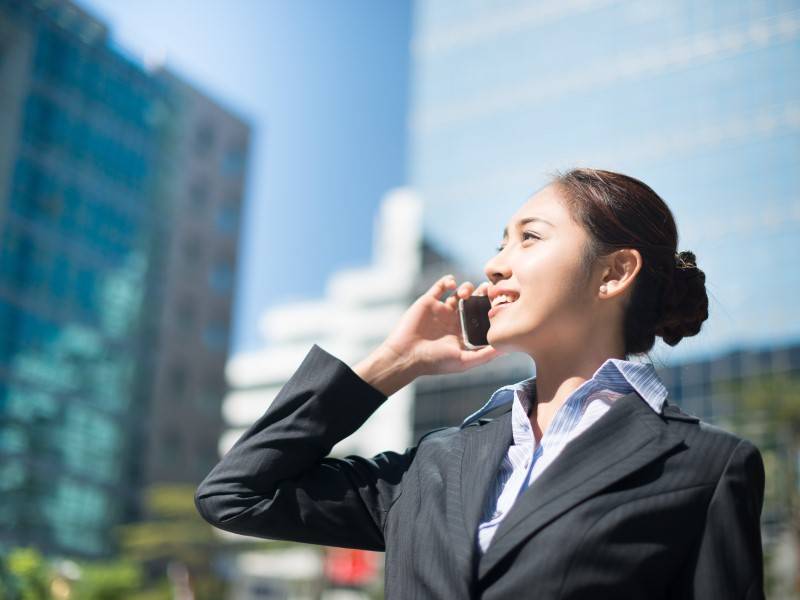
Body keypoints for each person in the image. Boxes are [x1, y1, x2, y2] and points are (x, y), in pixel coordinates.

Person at [195, 168, 765, 599]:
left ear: (613, 273)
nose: (494, 266)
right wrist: (394, 362)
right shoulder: (436, 463)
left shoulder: (707, 466)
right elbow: (237, 495)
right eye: (500, 244)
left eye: (529, 238)